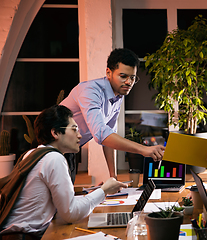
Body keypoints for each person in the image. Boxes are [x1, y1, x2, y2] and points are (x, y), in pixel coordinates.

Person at [0, 105, 128, 239]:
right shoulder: (54, 158)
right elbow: (70, 213)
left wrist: (95, 193)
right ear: (55, 133)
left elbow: (61, 204)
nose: (79, 136)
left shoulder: (33, 153)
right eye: (74, 130)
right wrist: (104, 191)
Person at [61, 48, 165, 179]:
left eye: (132, 78)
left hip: (69, 151)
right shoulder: (91, 91)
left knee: (67, 198)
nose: (129, 82)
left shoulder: (117, 96)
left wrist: (113, 177)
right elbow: (101, 134)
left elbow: (109, 135)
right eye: (123, 76)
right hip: (51, 147)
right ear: (108, 73)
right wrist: (143, 149)